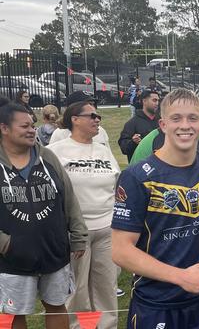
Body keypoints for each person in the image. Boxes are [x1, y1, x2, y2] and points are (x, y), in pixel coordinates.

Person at [111, 89, 199, 329]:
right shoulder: (136, 177)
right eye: (176, 118)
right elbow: (119, 250)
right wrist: (180, 276)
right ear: (163, 124)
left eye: (192, 118)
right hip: (157, 304)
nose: (185, 126)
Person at [0, 100, 88, 329]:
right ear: (4, 128)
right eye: (24, 126)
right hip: (11, 258)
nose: (32, 130)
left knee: (57, 305)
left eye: (32, 125)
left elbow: (69, 198)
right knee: (12, 313)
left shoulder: (47, 157)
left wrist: (78, 234)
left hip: (54, 250)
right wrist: (5, 244)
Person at [48, 100, 121, 329]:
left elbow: (116, 183)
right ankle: (78, 326)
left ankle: (106, 325)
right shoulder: (55, 152)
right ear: (74, 119)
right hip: (75, 231)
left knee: (106, 286)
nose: (97, 119)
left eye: (98, 116)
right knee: (78, 288)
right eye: (91, 115)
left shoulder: (103, 149)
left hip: (107, 227)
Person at [118, 90, 160, 162]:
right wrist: (133, 142)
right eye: (154, 100)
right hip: (140, 167)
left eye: (158, 101)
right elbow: (124, 148)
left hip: (162, 166)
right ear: (144, 101)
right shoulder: (132, 123)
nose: (157, 103)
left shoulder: (162, 122)